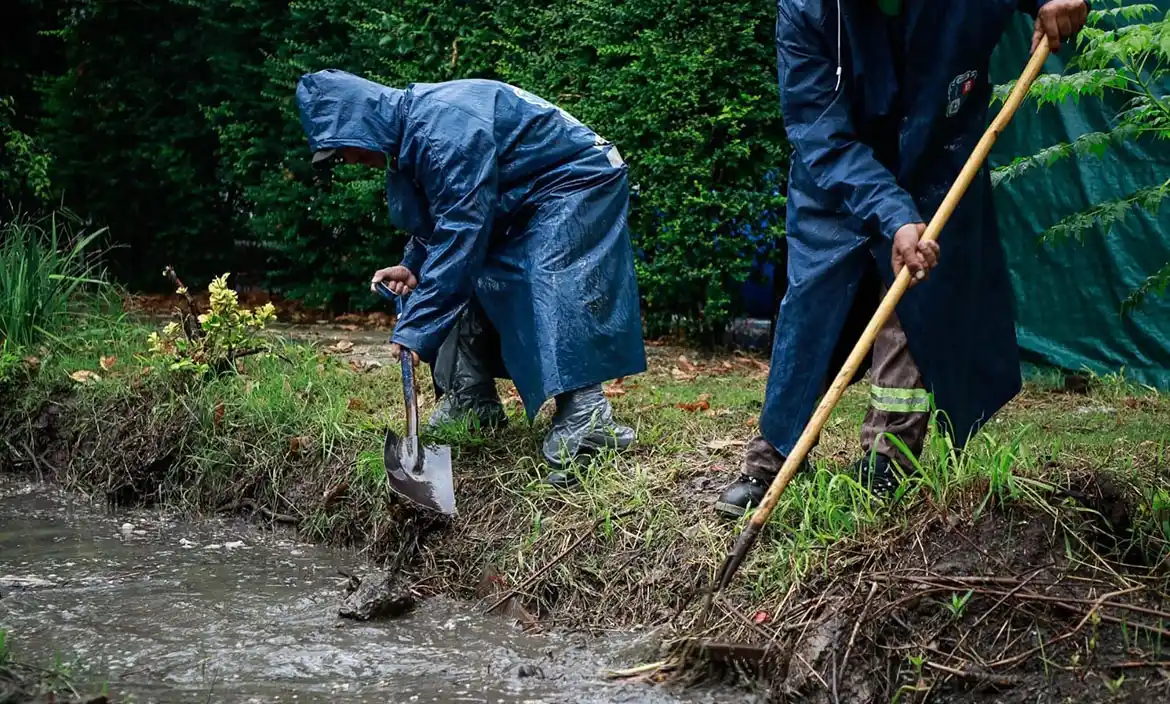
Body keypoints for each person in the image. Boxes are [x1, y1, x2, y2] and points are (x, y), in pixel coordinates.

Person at [715, 0, 1091, 517]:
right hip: (838, 171)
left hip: (936, 148)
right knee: (813, 301)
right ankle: (776, 454)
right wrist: (891, 212)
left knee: (918, 298)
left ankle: (888, 461)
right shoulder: (807, 10)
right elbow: (819, 128)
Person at [294, 70, 647, 488]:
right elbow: (444, 222)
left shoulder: (444, 130)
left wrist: (416, 330)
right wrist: (414, 265)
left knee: (547, 276)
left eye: (342, 148)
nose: (347, 160)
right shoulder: (411, 140)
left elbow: (462, 231)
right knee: (460, 272)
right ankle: (470, 399)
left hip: (577, 177)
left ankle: (588, 419)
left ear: (359, 121)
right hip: (523, 191)